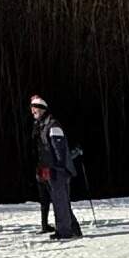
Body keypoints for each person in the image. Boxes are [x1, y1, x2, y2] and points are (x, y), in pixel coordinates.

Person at [29, 96, 80, 240]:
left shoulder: (53, 126)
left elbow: (60, 151)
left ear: (43, 109)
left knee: (60, 201)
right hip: (47, 169)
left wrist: (59, 169)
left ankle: (64, 232)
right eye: (32, 108)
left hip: (57, 170)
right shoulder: (40, 126)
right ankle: (74, 229)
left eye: (35, 107)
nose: (33, 110)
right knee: (60, 201)